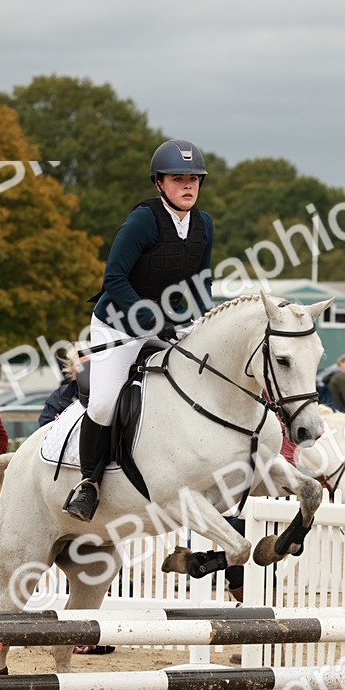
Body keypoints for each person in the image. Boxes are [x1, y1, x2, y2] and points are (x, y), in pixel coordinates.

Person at [63, 139, 214, 522]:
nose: (188, 186)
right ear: (159, 183)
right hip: (118, 322)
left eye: (194, 179)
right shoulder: (144, 220)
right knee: (102, 402)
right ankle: (88, 483)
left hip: (165, 323)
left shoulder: (203, 224)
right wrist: (147, 317)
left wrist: (204, 319)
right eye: (178, 178)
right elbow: (114, 277)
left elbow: (201, 283)